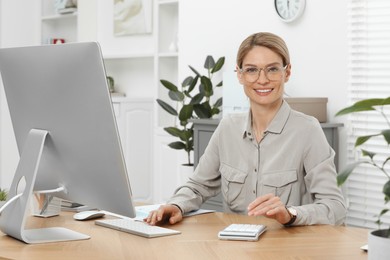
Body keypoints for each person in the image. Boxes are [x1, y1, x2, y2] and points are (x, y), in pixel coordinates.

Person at [145, 32, 347, 227]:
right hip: (237, 248)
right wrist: (176, 205)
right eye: (251, 70)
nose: (262, 79)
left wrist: (291, 214)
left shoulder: (307, 130)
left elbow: (336, 207)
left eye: (272, 69)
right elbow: (198, 186)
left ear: (287, 72)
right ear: (239, 75)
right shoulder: (227, 128)